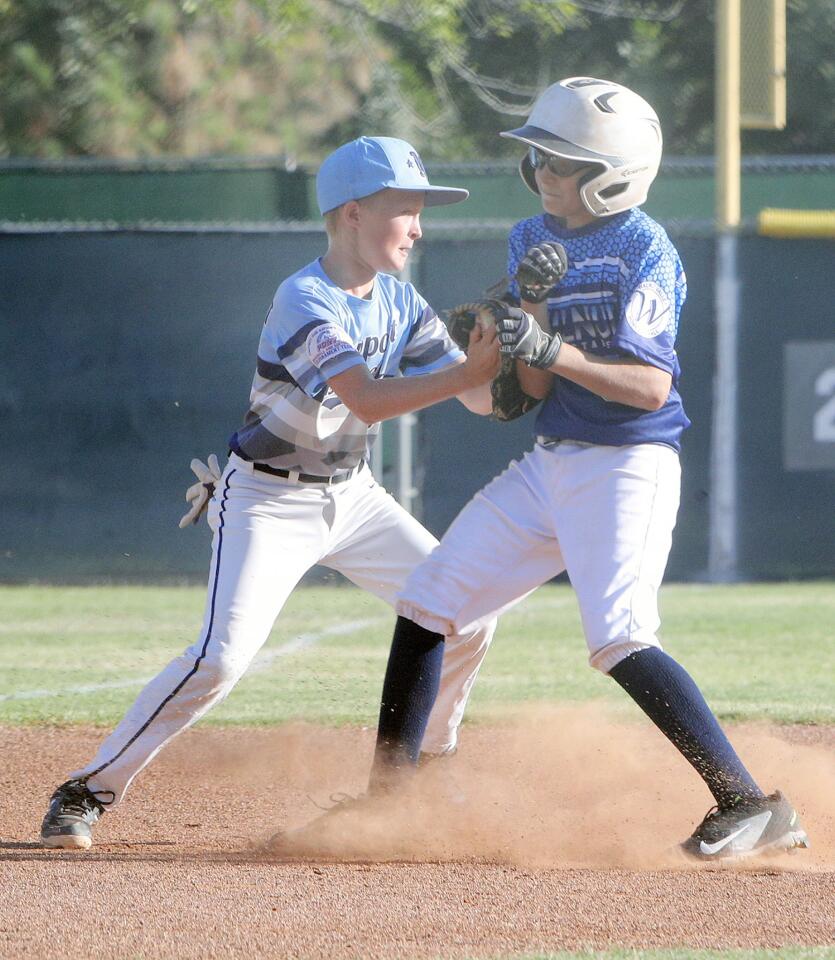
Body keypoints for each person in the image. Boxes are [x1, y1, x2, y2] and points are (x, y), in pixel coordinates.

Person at [359, 78, 811, 862]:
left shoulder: (644, 252)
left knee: (619, 638)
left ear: (612, 174)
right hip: (554, 461)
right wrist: (523, 322)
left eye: (558, 160)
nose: (540, 170)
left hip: (627, 466)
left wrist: (551, 347)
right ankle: (388, 801)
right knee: (429, 599)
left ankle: (749, 803)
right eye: (538, 156)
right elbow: (532, 393)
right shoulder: (533, 233)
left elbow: (651, 386)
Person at [39, 136, 500, 850]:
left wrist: (527, 359)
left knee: (467, 612)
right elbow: (367, 399)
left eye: (419, 211)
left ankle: (424, 768)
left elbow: (482, 404)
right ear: (352, 214)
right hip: (266, 500)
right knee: (219, 659)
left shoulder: (402, 301)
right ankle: (86, 789)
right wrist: (470, 373)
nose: (417, 225)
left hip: (354, 497)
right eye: (404, 209)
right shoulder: (303, 297)